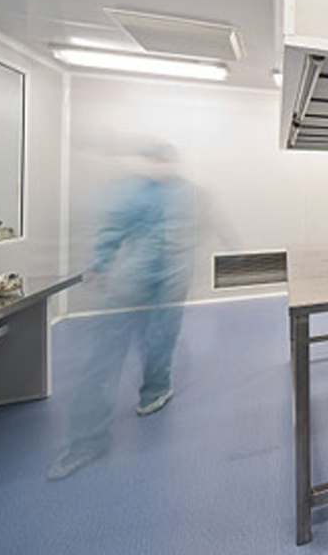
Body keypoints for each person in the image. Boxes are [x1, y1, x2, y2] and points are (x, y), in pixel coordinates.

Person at [49, 141, 195, 480]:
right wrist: (99, 265)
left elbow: (190, 232)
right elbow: (112, 230)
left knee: (160, 340)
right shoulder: (133, 192)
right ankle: (86, 441)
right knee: (103, 354)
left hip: (171, 282)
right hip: (130, 283)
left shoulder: (182, 192)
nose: (159, 165)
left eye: (164, 160)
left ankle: (156, 391)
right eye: (154, 159)